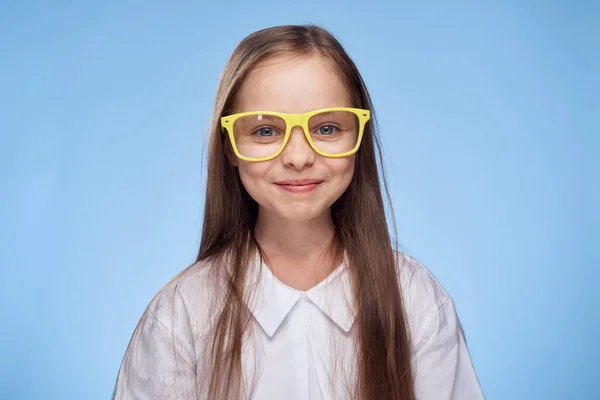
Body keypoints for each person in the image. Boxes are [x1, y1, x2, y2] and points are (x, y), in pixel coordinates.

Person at [112, 24, 485, 400]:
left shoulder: (415, 300)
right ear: (229, 147)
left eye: (326, 128)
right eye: (265, 131)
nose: (298, 157)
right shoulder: (181, 316)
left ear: (358, 138)